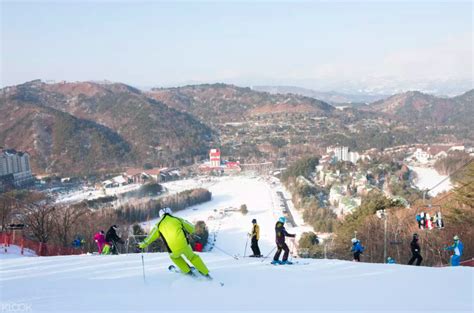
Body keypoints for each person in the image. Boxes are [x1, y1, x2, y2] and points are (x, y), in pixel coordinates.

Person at [139, 207, 210, 277]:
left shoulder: (158, 225)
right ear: (170, 212)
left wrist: (142, 245)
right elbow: (192, 228)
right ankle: (205, 273)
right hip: (184, 245)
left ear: (160, 215)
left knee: (175, 258)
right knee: (193, 257)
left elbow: (150, 237)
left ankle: (188, 271)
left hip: (173, 249)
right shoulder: (178, 219)